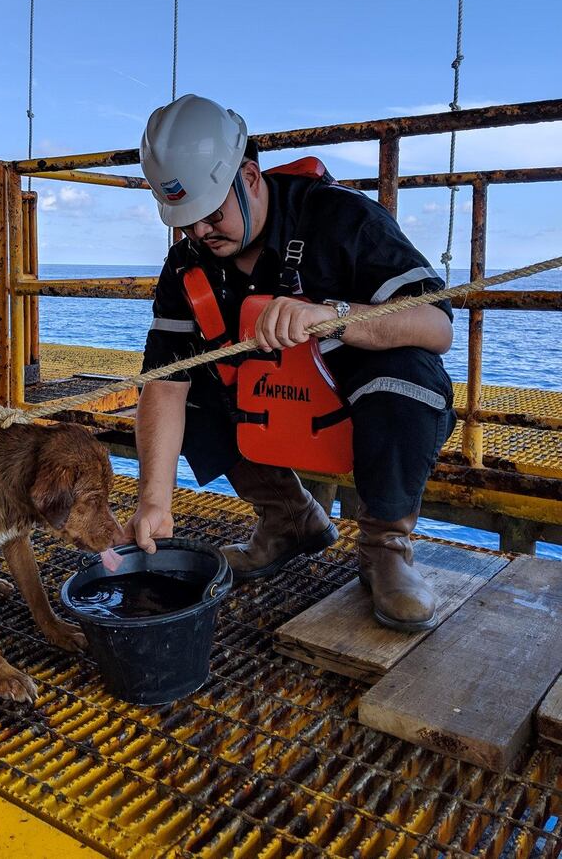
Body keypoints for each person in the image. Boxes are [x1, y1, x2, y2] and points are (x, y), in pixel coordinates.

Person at [124, 94, 456, 633]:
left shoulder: (343, 218)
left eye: (211, 214)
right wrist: (153, 502)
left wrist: (333, 315)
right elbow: (164, 385)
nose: (201, 234)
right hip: (273, 408)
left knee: (408, 376)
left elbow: (437, 328)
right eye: (186, 224)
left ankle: (385, 550)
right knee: (188, 386)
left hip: (355, 408)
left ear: (250, 177)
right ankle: (288, 519)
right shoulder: (187, 263)